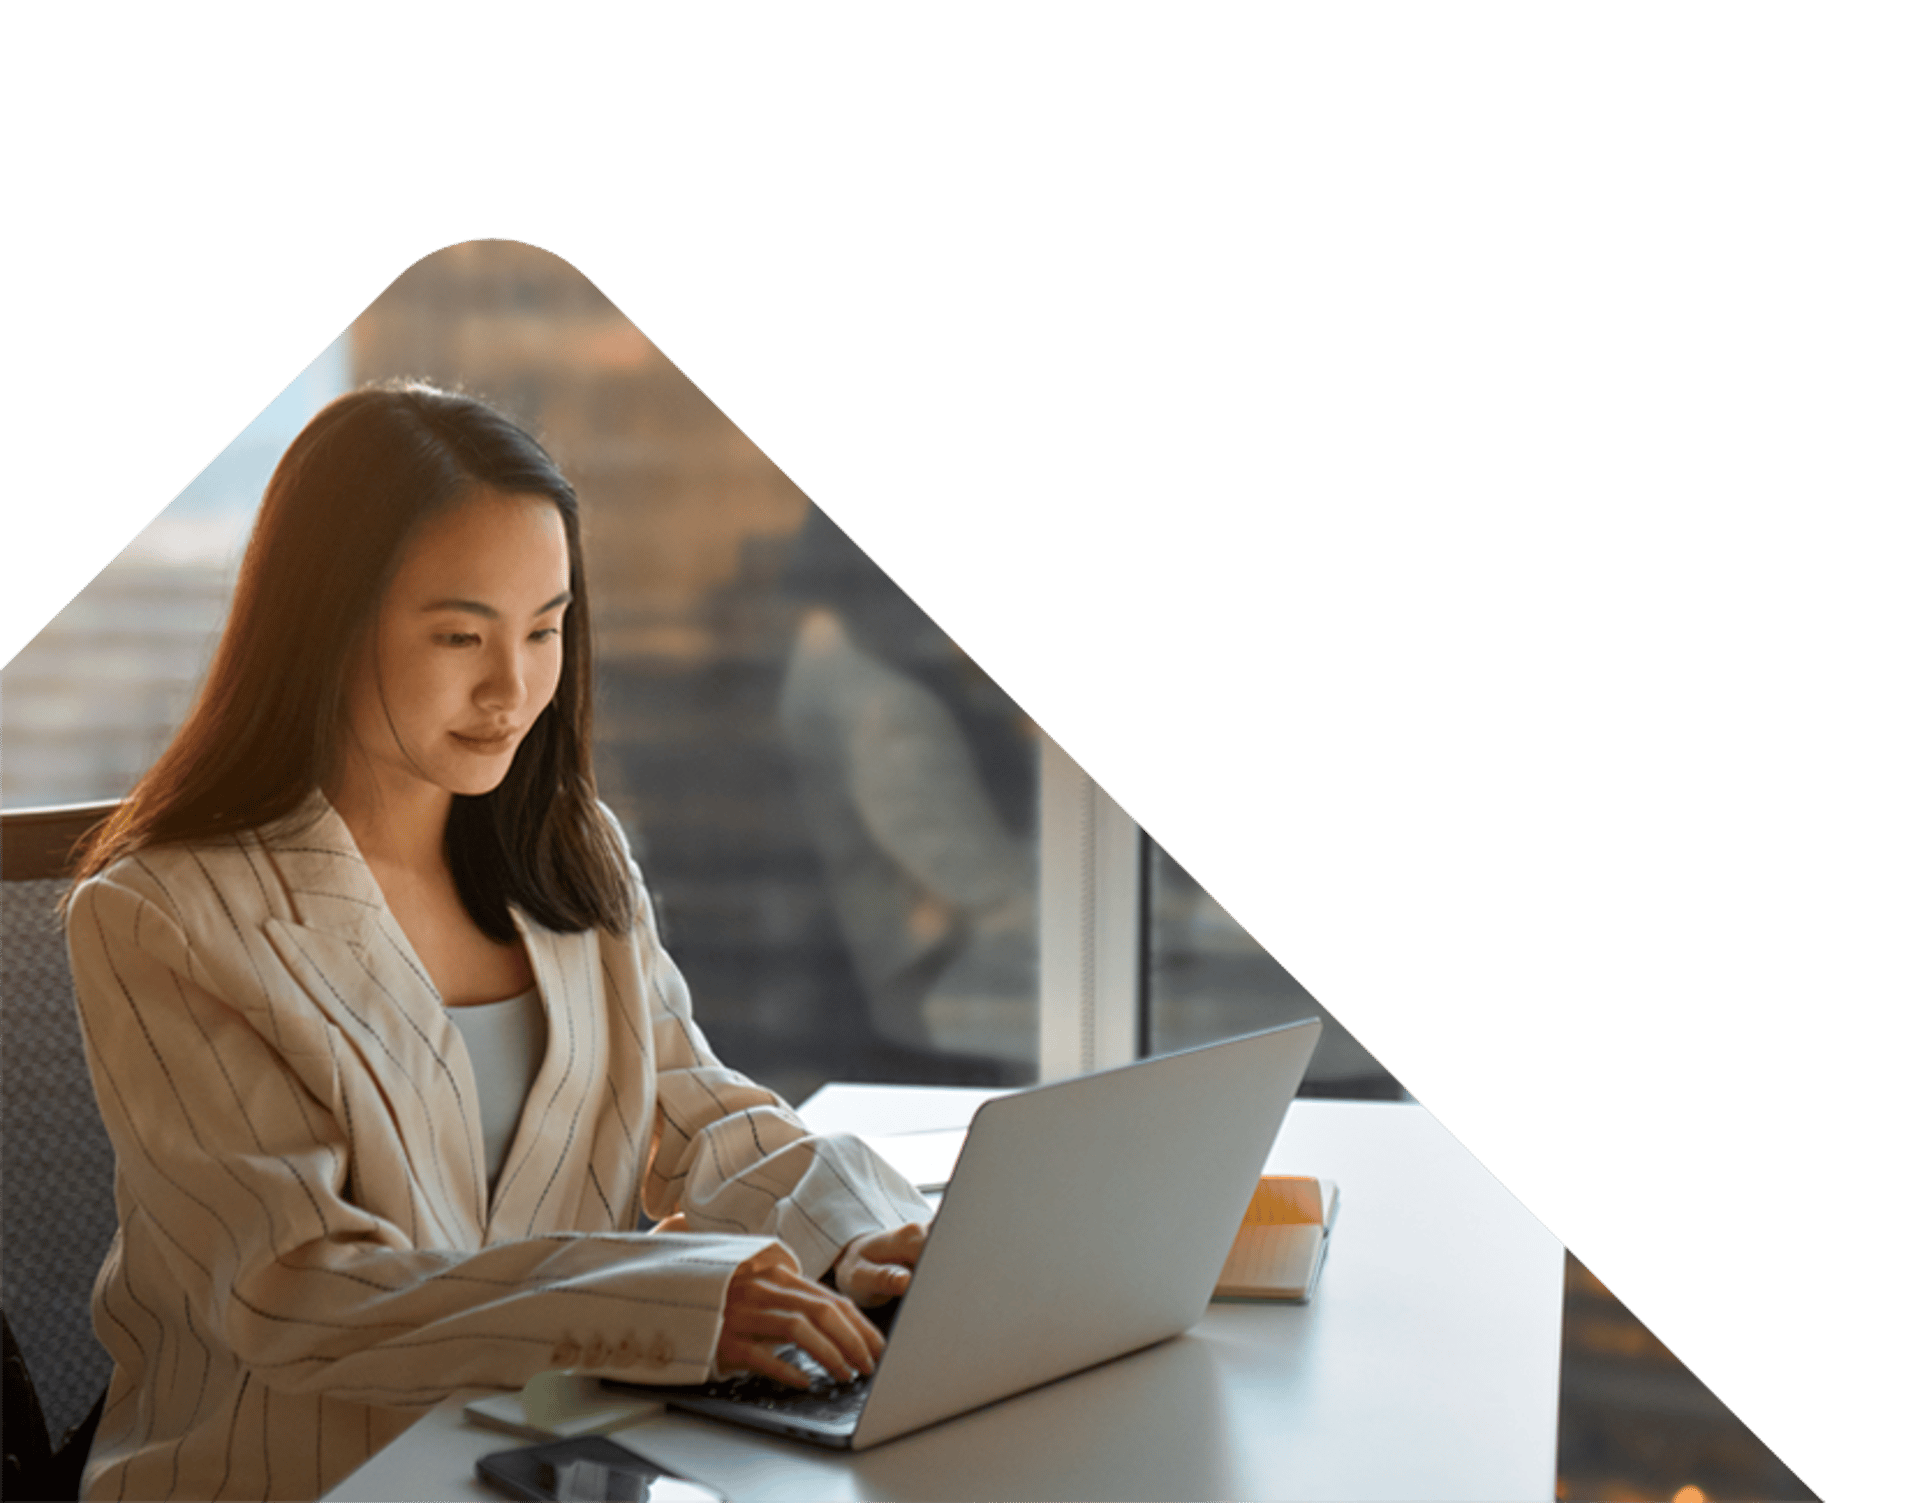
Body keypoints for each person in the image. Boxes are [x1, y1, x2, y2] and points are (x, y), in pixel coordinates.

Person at [63, 383, 931, 1503]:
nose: (512, 689)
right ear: (326, 622)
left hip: (549, 1456)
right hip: (304, 1478)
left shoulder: (571, 851)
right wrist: (670, 1301)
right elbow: (298, 1290)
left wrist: (860, 1239)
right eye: (461, 635)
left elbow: (695, 1113)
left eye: (546, 628)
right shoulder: (163, 917)